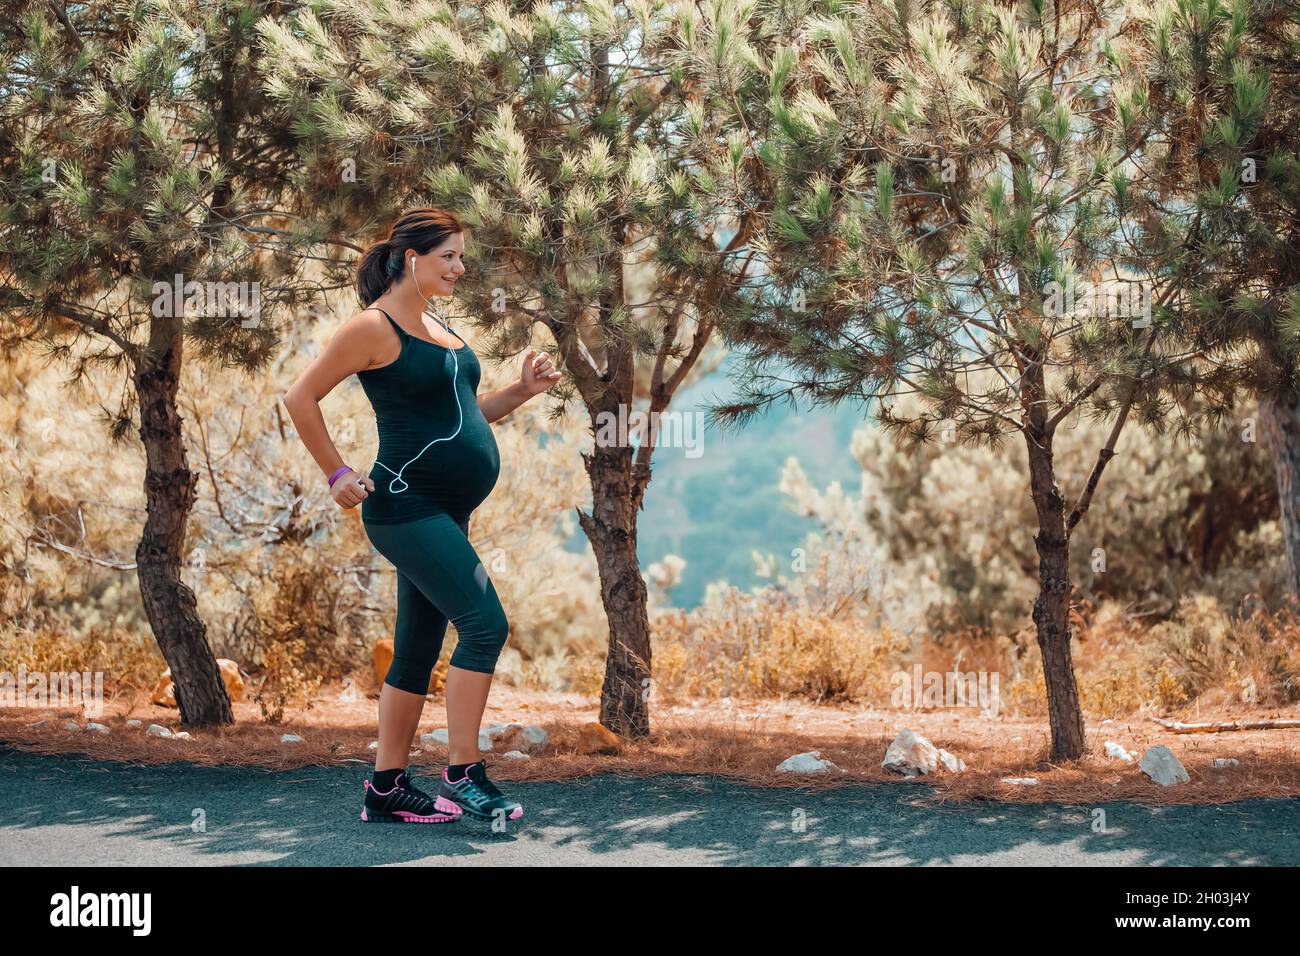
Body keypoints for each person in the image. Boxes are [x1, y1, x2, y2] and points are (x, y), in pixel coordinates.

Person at [282, 208, 561, 824]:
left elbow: (464, 416)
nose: (461, 267)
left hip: (445, 511)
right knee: (485, 624)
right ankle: (464, 771)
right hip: (405, 507)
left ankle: (386, 787)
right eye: (449, 257)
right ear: (413, 259)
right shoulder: (372, 328)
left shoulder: (437, 326)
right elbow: (300, 397)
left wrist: (520, 391)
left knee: (415, 648)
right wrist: (337, 472)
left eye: (462, 256)